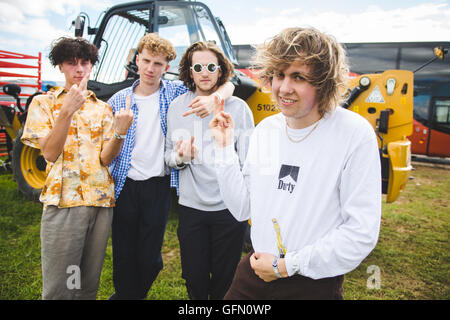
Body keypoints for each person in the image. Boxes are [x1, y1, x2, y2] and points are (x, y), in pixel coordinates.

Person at [209, 27, 382, 300]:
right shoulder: (266, 129)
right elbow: (242, 208)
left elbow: (361, 232)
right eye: (279, 75)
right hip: (255, 272)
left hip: (311, 282)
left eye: (298, 77)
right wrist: (222, 148)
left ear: (324, 82)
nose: (284, 88)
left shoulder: (354, 134)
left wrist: (288, 265)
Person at [107, 33, 235, 300]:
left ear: (167, 68)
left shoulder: (176, 93)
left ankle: (129, 295)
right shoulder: (118, 100)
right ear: (136, 61)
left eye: (158, 63)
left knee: (151, 259)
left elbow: (226, 86)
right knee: (123, 252)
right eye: (146, 61)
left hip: (158, 186)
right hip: (124, 185)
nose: (150, 68)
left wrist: (215, 99)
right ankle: (126, 295)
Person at [21, 37, 133, 300]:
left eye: (85, 62)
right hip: (64, 206)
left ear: (92, 66)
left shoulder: (103, 109)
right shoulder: (43, 103)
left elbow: (105, 160)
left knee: (86, 284)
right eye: (71, 63)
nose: (79, 69)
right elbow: (49, 153)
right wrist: (66, 112)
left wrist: (119, 133)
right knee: (61, 287)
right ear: (60, 66)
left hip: (100, 203)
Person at [165, 41, 254, 300]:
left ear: (220, 70)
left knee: (226, 278)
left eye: (211, 66)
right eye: (198, 67)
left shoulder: (238, 108)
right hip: (192, 207)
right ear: (189, 71)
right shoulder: (177, 107)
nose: (205, 72)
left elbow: (248, 161)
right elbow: (167, 156)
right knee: (194, 276)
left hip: (229, 208)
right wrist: (180, 157)